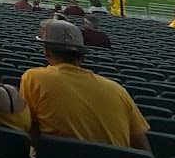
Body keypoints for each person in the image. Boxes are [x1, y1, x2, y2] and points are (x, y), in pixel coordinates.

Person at [19, 18, 149, 150]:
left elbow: (28, 130)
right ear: (82, 56)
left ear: (46, 52)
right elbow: (142, 147)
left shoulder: (34, 77)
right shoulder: (119, 91)